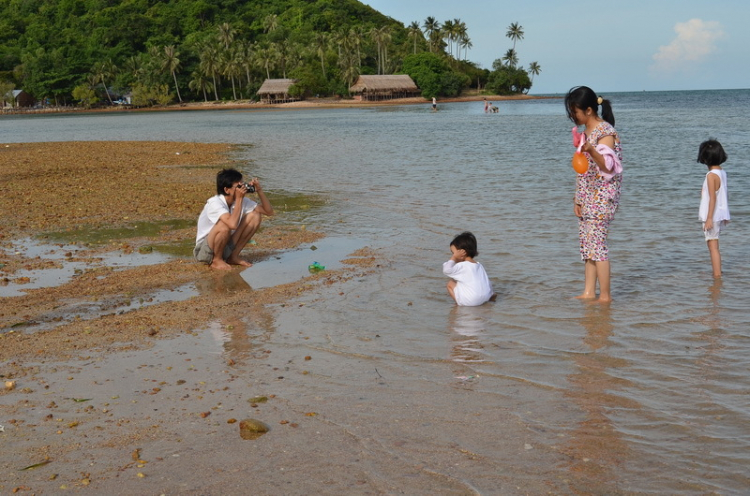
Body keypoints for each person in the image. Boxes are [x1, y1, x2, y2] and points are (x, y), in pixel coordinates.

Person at [565, 86, 623, 302]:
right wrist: (577, 198)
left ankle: (605, 296)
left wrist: (590, 149)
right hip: (588, 195)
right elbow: (582, 170)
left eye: (575, 112)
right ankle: (589, 292)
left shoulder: (605, 133)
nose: (573, 117)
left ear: (588, 110)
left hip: (603, 196)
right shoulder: (586, 134)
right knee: (587, 245)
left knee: (598, 245)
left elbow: (608, 166)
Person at [194, 168, 274, 270]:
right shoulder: (215, 203)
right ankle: (216, 260)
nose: (242, 188)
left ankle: (233, 256)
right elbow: (232, 224)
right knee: (224, 224)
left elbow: (269, 212)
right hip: (206, 251)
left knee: (255, 216)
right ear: (227, 190)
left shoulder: (241, 200)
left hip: (225, 243)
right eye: (238, 186)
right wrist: (240, 199)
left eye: (242, 184)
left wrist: (259, 190)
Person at [697, 139, 730, 278]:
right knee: (714, 245)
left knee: (713, 247)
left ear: (704, 158)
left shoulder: (711, 176)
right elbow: (720, 193)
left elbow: (713, 198)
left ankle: (717, 276)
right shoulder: (721, 172)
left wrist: (709, 218)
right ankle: (717, 272)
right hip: (719, 214)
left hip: (712, 215)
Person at [443, 232, 496, 306]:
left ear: (462, 253)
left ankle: (459, 303)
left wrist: (454, 258)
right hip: (486, 297)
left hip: (472, 301)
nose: (453, 255)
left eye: (453, 253)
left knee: (450, 284)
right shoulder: (479, 265)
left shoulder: (462, 266)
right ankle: (491, 296)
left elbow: (447, 269)